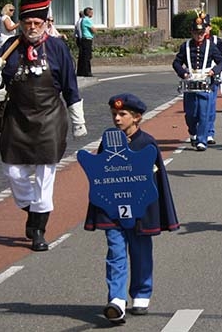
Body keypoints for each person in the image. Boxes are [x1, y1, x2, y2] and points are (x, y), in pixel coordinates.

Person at [0, 0, 87, 251]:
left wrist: (78, 121)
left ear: (45, 23)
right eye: (27, 22)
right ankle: (32, 209)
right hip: (17, 118)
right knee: (13, 172)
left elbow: (70, 85)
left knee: (44, 176)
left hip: (50, 118)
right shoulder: (10, 48)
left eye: (36, 23)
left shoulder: (57, 48)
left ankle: (39, 229)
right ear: (21, 23)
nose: (32, 27)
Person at [84, 93, 179, 324]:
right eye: (114, 114)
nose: (117, 119)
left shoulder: (147, 143)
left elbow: (153, 182)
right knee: (115, 253)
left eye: (122, 114)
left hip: (140, 211)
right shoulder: (108, 141)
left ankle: (141, 293)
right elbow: (100, 175)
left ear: (136, 117)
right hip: (113, 209)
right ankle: (117, 299)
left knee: (140, 252)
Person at [172, 13, 222, 151]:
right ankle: (193, 132)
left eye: (201, 33)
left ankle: (202, 140)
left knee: (204, 113)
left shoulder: (211, 46)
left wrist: (214, 71)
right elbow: (176, 62)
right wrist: (183, 73)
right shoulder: (186, 46)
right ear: (192, 32)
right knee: (191, 114)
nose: (199, 35)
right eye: (196, 33)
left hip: (205, 81)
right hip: (190, 81)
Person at [77, 6, 96, 77]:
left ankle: (81, 71)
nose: (92, 14)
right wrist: (94, 30)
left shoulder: (83, 20)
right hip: (87, 39)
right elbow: (94, 30)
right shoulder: (87, 20)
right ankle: (87, 72)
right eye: (91, 12)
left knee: (83, 56)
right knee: (87, 56)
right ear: (88, 13)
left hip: (84, 39)